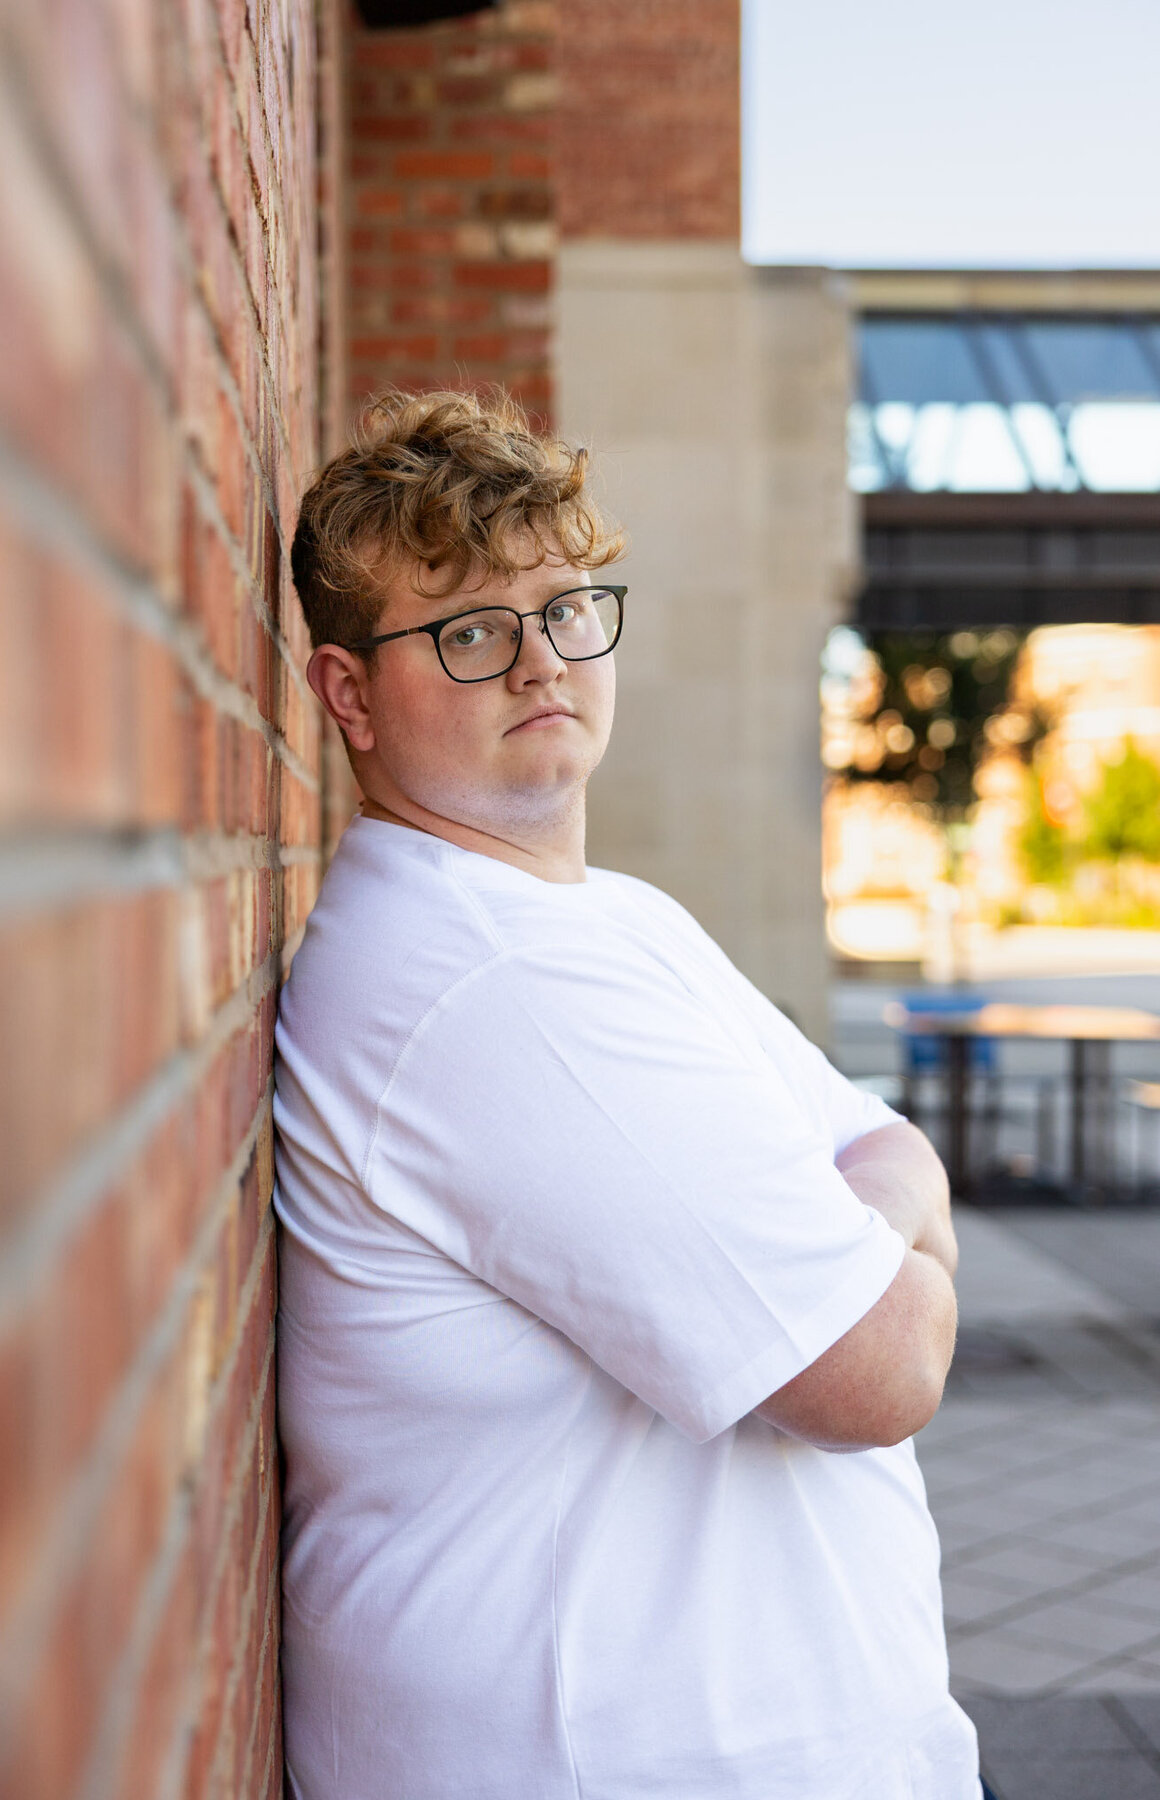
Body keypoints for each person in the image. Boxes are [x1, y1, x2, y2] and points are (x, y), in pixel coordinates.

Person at [273, 388, 983, 1800]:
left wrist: (879, 1192)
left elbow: (889, 1145)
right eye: (467, 631)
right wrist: (885, 1211)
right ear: (347, 693)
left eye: (568, 605)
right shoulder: (489, 987)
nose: (541, 661)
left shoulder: (613, 924)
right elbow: (886, 1362)